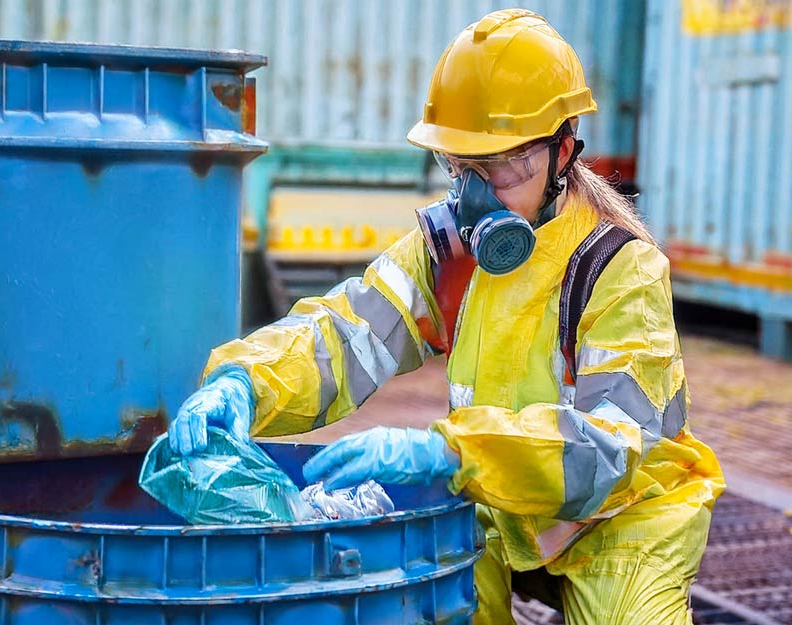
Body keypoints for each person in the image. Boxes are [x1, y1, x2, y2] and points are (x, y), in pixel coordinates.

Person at [168, 9, 725, 625]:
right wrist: (246, 379)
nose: (480, 194)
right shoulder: (452, 256)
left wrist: (452, 452)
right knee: (433, 603)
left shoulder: (620, 270)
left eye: (507, 166)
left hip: (622, 513)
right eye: (463, 167)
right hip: (499, 501)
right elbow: (348, 332)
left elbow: (608, 454)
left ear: (565, 151)